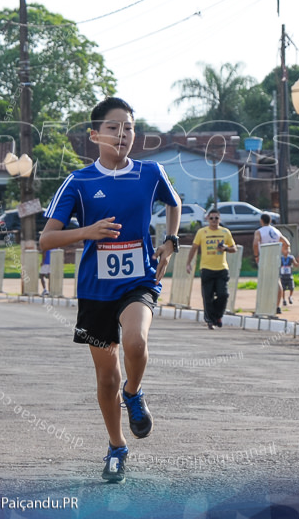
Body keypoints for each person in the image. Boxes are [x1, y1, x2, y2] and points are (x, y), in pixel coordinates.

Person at [39, 97, 180, 484]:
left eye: (129, 129)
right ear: (96, 135)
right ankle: (117, 446)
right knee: (105, 378)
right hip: (95, 290)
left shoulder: (151, 172)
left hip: (139, 281)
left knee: (135, 342)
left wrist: (171, 241)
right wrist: (88, 231)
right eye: (114, 128)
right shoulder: (79, 181)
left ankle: (134, 393)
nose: (122, 135)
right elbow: (45, 240)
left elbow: (175, 203)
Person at [186, 207, 237, 330]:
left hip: (221, 269)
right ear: (208, 219)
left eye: (216, 218)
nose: (214, 220)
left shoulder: (225, 232)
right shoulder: (202, 232)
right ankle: (210, 320)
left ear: (219, 219)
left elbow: (233, 248)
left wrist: (225, 248)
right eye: (211, 218)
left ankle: (217, 315)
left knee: (223, 294)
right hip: (207, 269)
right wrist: (189, 263)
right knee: (207, 297)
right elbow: (194, 248)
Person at [252, 213, 290, 315]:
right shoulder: (276, 231)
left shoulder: (259, 231)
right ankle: (277, 306)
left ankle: (262, 307)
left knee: (263, 282)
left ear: (261, 221)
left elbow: (256, 243)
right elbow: (287, 243)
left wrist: (256, 256)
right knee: (276, 281)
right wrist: (285, 252)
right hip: (275, 258)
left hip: (264, 258)